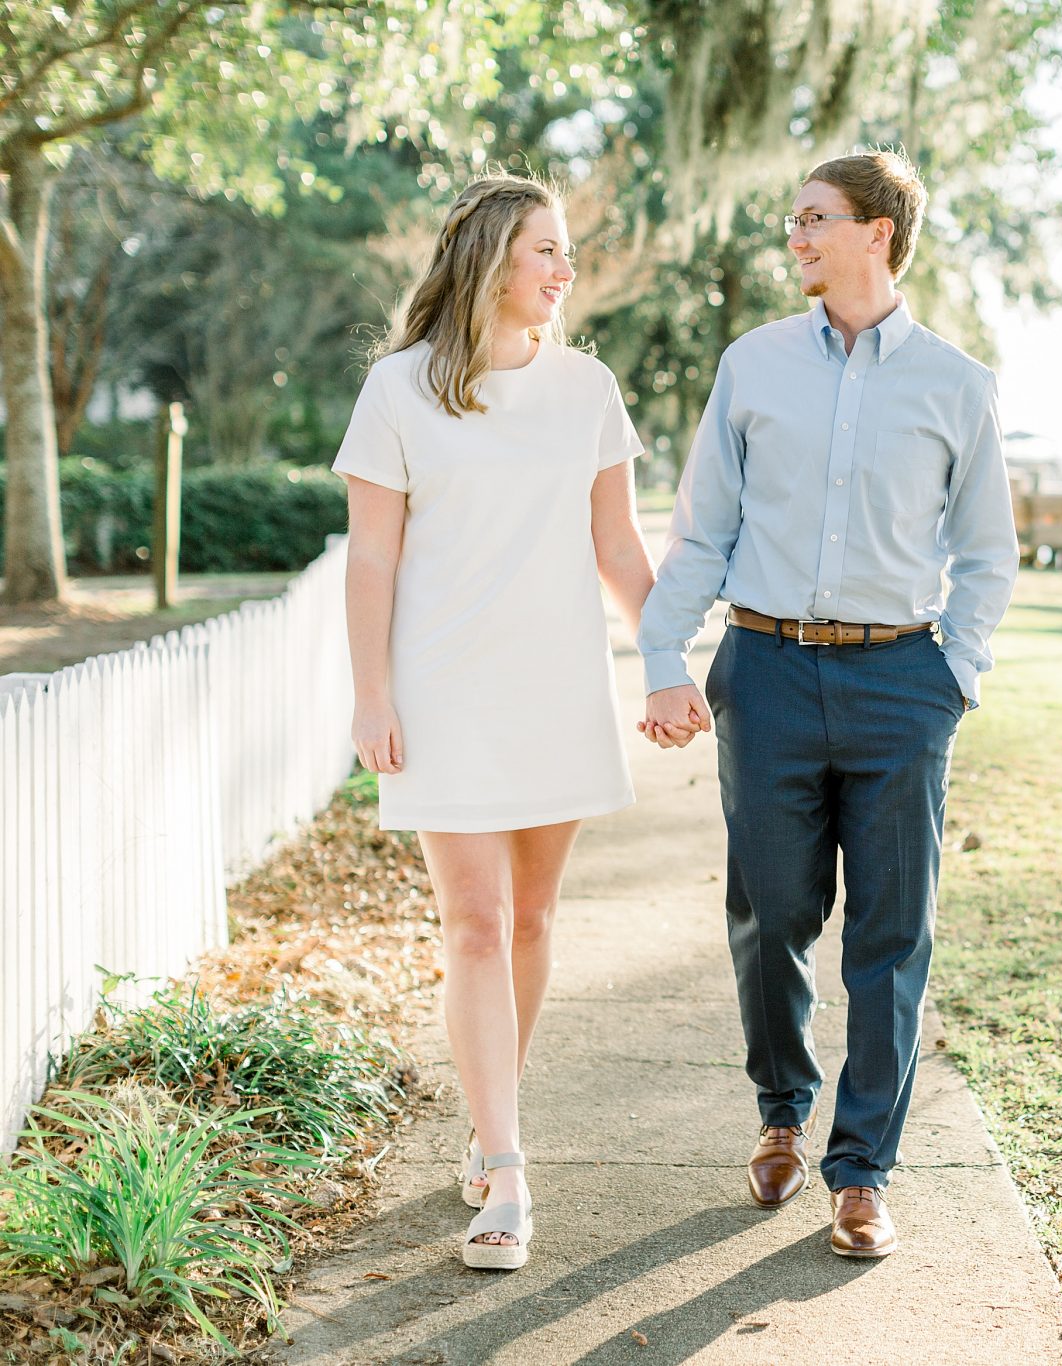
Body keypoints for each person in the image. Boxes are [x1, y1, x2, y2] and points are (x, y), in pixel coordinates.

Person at [637, 150, 1017, 1258]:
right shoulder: (752, 366)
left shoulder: (956, 383)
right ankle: (779, 1109)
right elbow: (702, 526)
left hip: (903, 680)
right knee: (771, 919)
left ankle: (861, 1171)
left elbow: (986, 552)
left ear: (877, 232)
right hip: (764, 669)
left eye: (814, 219)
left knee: (892, 936)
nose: (794, 238)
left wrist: (956, 672)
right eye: (791, 220)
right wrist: (666, 650)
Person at [336, 172, 654, 1271]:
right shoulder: (396, 391)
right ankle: (508, 1169)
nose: (565, 271)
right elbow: (370, 554)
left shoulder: (588, 389)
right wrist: (371, 692)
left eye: (565, 252)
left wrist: (667, 665)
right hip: (442, 692)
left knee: (528, 923)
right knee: (472, 921)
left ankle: (488, 1125)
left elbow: (618, 550)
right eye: (548, 251)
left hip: (557, 687)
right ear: (488, 261)